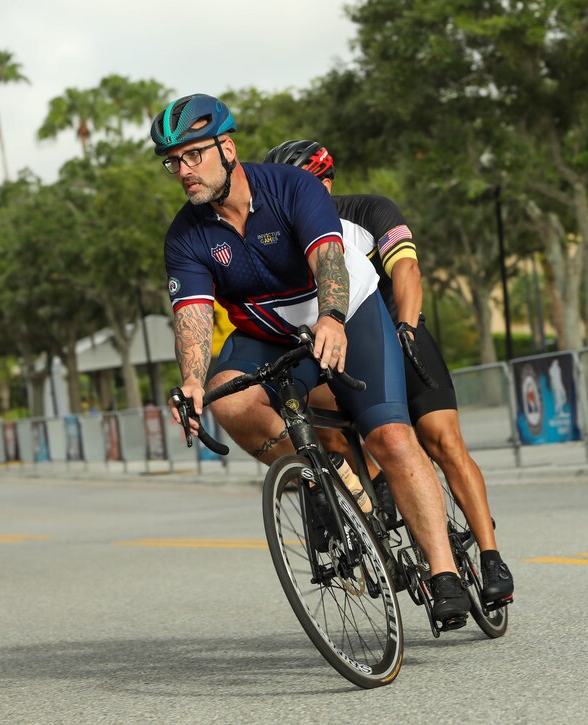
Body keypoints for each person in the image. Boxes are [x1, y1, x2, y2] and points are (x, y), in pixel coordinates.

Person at [153, 95, 470, 625]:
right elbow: (191, 315)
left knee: (391, 437)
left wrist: (332, 317)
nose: (183, 171)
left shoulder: (291, 188)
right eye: (173, 162)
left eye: (193, 156)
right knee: (226, 397)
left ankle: (445, 574)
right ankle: (322, 480)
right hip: (269, 334)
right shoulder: (186, 235)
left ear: (227, 148)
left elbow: (329, 259)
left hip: (350, 312)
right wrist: (189, 380)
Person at [262, 139, 513, 606]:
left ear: (326, 182)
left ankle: (490, 552)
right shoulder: (276, 235)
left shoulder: (370, 210)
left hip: (397, 332)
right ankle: (360, 512)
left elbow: (408, 271)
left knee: (441, 437)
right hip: (331, 345)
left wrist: (406, 329)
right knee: (326, 425)